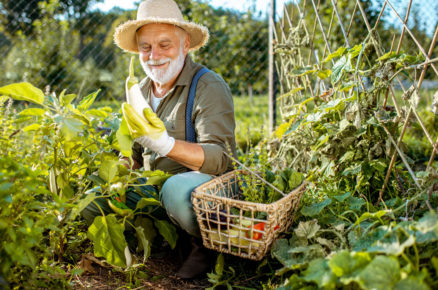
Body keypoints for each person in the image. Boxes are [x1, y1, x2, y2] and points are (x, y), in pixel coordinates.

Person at [81, 0, 236, 279]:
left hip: (203, 193)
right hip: (154, 190)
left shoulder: (207, 85)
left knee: (175, 190)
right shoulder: (139, 90)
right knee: (93, 201)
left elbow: (220, 158)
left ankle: (206, 246)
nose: (154, 55)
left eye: (165, 45)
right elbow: (134, 154)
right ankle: (159, 241)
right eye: (146, 47)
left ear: (185, 45)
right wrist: (120, 172)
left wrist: (166, 145)